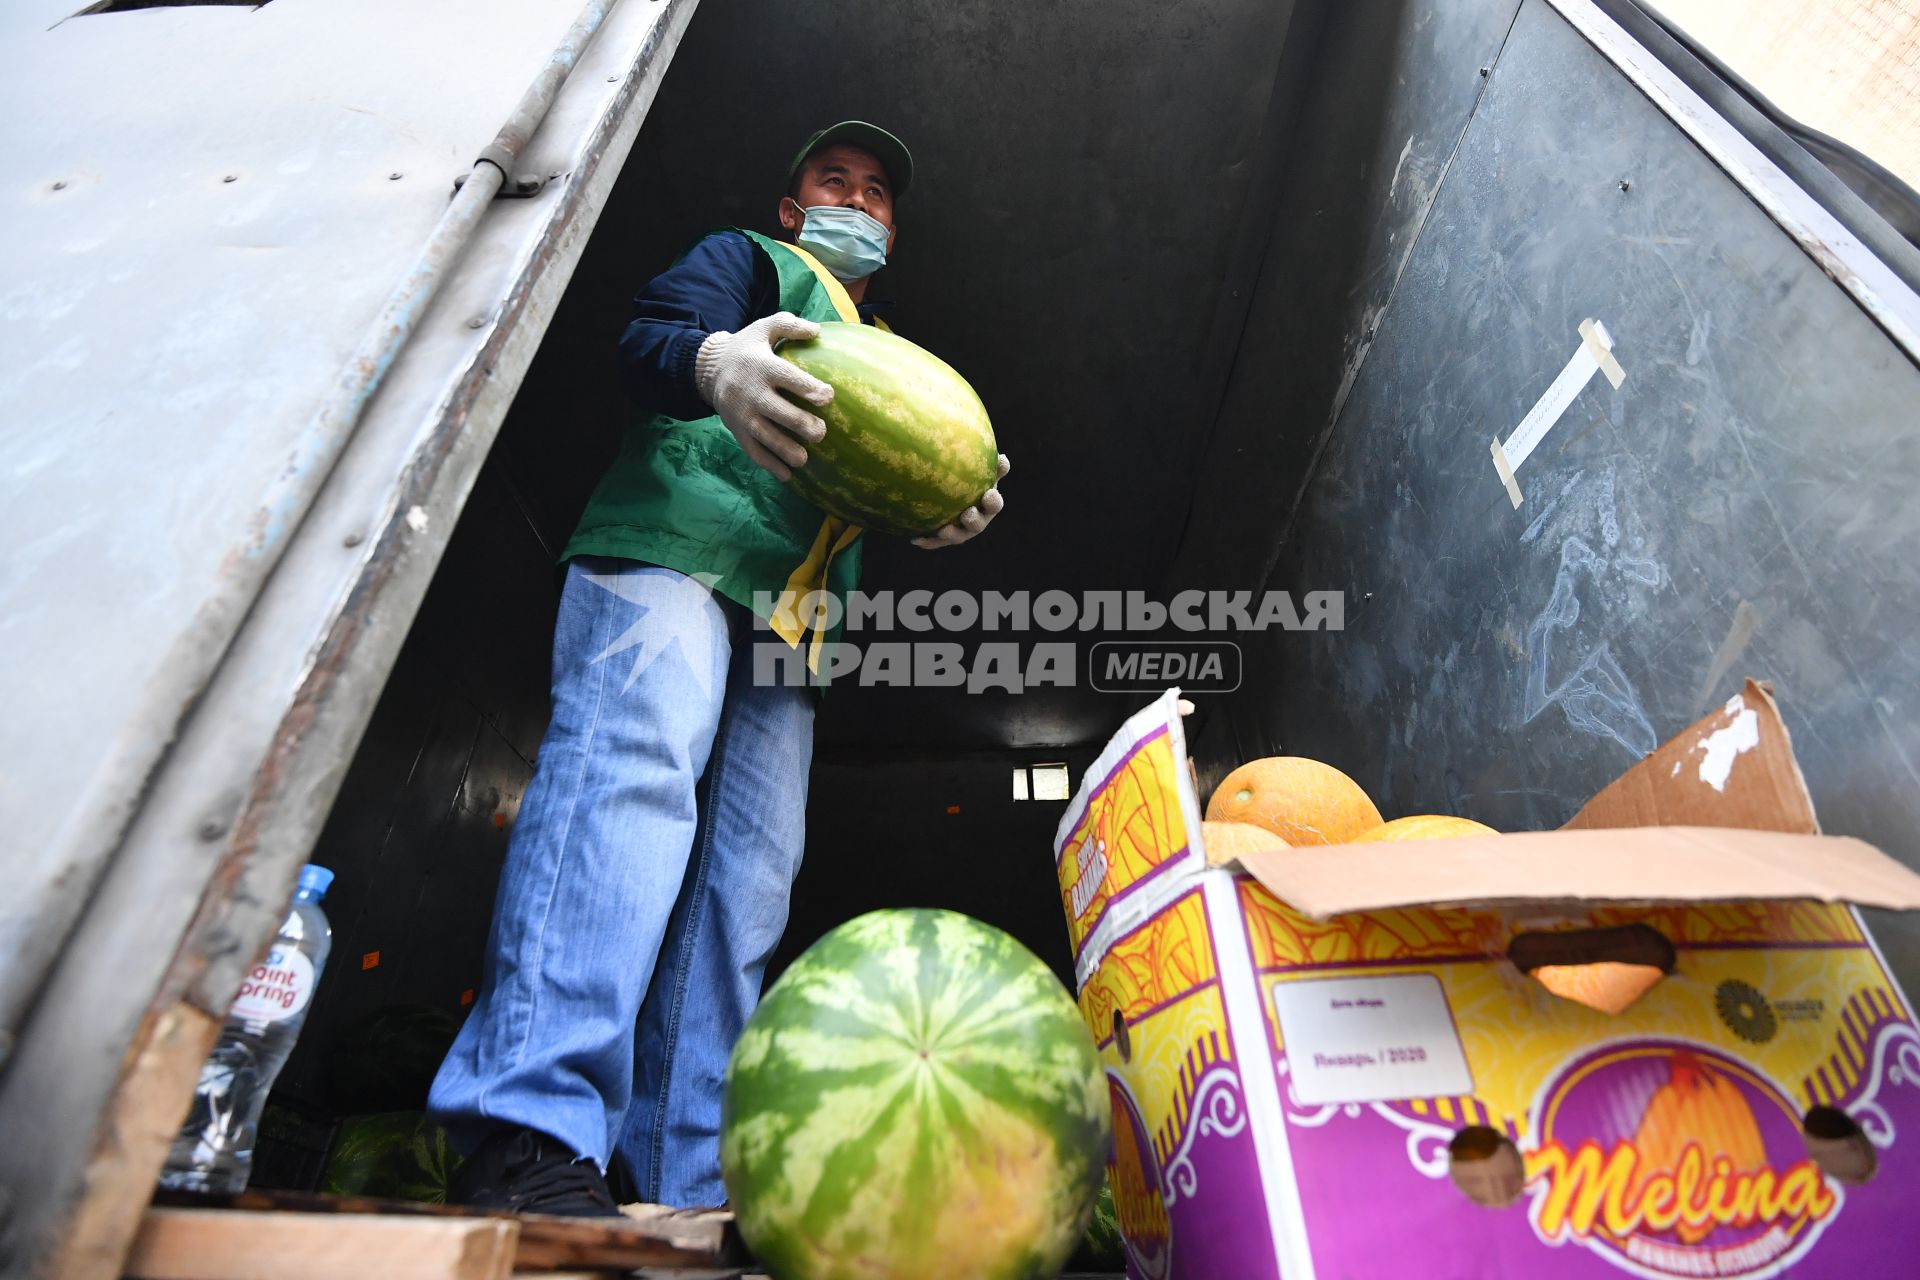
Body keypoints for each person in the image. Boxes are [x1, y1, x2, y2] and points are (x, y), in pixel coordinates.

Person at [427, 122, 1009, 1216]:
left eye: (876, 190)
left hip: (792, 613)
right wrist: (709, 356)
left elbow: (893, 469)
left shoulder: (889, 348)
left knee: (749, 875)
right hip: (672, 547)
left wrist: (942, 497)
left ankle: (687, 1172)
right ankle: (528, 1124)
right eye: (833, 179)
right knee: (631, 783)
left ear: (893, 229)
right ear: (794, 208)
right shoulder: (746, 260)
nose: (856, 197)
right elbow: (645, 337)